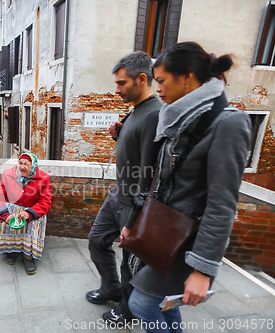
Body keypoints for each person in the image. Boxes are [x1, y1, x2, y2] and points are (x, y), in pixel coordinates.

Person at [124, 42, 251, 332]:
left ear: (187, 77)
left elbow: (222, 204)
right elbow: (157, 181)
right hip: (161, 233)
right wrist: (133, 223)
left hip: (188, 242)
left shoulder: (228, 123)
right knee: (161, 304)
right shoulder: (175, 117)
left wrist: (203, 270)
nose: (158, 89)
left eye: (162, 81)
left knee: (142, 304)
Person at [87, 51, 162, 324]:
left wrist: (132, 220)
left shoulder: (155, 114)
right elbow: (135, 150)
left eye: (121, 83)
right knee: (96, 240)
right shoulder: (136, 111)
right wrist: (119, 134)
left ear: (141, 79)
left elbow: (149, 173)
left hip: (135, 204)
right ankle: (110, 288)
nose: (116, 89)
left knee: (128, 262)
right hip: (118, 194)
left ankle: (127, 311)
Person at [0, 152, 52, 275]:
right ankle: (12, 250)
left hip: (31, 210)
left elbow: (45, 201)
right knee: (8, 224)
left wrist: (29, 213)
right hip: (11, 211)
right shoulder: (8, 174)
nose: (22, 167)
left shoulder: (43, 179)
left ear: (33, 166)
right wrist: (6, 216)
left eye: (26, 164)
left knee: (32, 224)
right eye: (20, 163)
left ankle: (27, 256)